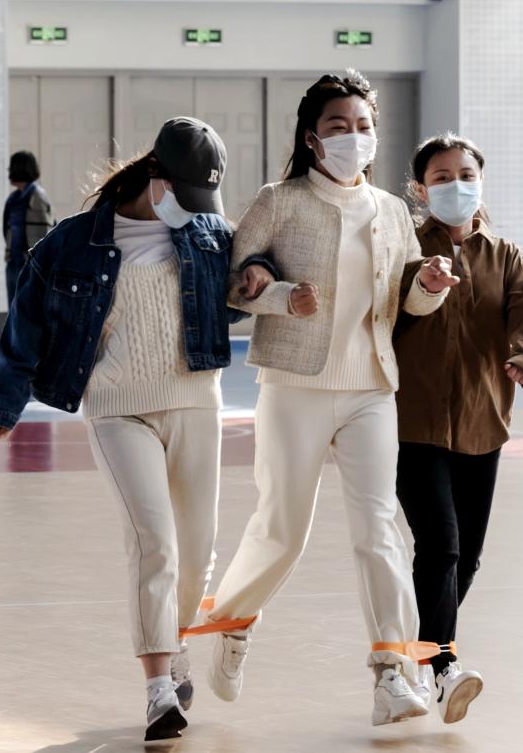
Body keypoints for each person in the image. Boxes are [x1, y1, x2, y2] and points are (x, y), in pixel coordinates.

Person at [0, 118, 276, 742]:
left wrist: (257, 275)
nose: (193, 209)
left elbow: (243, 284)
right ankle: (158, 690)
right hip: (117, 408)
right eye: (185, 195)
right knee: (154, 542)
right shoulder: (73, 241)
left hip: (195, 401)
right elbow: (26, 317)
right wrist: (8, 399)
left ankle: (174, 642)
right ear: (155, 178)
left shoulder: (208, 233)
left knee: (196, 553)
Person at [205, 70, 459, 727]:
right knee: (282, 531)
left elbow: (406, 301)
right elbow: (232, 286)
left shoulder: (393, 210)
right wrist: (279, 295)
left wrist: (430, 286)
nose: (353, 137)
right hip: (295, 386)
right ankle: (233, 622)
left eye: (363, 126)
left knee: (379, 530)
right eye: (338, 126)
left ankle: (392, 674)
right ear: (312, 138)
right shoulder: (280, 201)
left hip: (371, 387)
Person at [393, 133, 523, 723]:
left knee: (468, 557)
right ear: (420, 189)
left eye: (465, 175)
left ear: (480, 182)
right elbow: (382, 313)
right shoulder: (403, 248)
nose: (455, 185)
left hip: (484, 422)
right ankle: (442, 666)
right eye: (441, 176)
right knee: (441, 545)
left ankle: (415, 653)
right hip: (414, 423)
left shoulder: (508, 258)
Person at [3, 150, 53, 305]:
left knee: (28, 308)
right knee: (14, 308)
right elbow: (6, 228)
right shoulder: (14, 198)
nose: (9, 171)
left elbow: (45, 231)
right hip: (14, 261)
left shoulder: (37, 196)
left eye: (12, 167)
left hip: (30, 263)